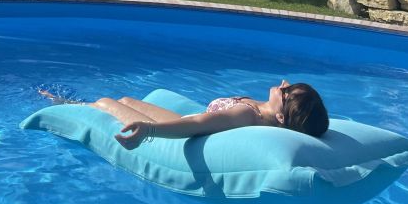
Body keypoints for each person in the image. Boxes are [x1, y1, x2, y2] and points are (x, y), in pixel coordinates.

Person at [40, 80, 329, 147]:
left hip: (177, 128)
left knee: (106, 102)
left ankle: (65, 105)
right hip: (182, 120)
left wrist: (149, 129)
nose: (284, 85)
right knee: (127, 97)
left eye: (287, 93)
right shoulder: (264, 111)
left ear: (282, 117)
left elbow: (196, 123)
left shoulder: (246, 114)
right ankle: (71, 103)